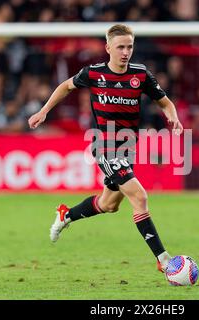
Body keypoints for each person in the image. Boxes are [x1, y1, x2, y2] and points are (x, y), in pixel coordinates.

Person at [28, 24, 184, 273]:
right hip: (104, 146)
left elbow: (165, 102)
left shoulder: (141, 75)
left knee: (109, 204)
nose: (125, 52)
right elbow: (65, 87)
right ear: (108, 47)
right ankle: (164, 260)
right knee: (140, 197)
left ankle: (65, 215)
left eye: (129, 47)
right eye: (120, 47)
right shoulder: (94, 73)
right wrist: (44, 110)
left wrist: (172, 117)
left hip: (128, 149)